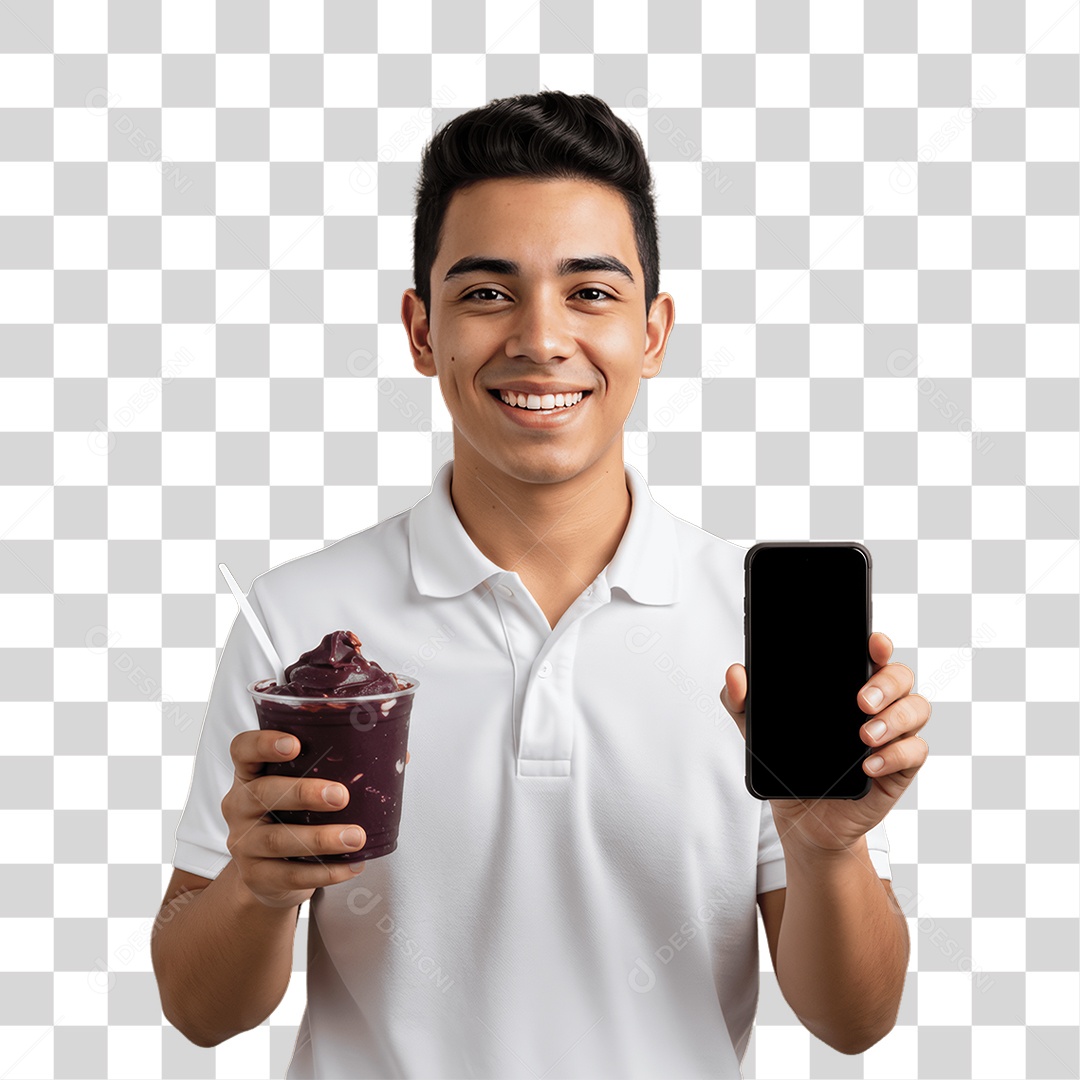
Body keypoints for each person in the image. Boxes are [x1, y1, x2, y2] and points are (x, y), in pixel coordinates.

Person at [152, 90, 928, 1078]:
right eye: (487, 293)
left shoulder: (752, 631)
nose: (541, 337)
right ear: (421, 330)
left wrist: (826, 851)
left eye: (590, 293)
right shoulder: (297, 622)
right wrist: (258, 892)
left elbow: (853, 1023)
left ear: (653, 332)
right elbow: (198, 1010)